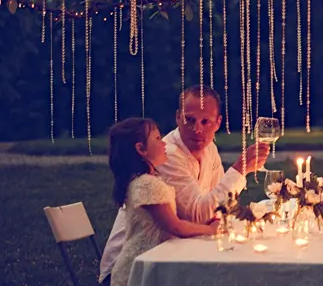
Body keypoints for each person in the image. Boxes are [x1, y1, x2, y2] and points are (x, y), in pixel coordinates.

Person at [100, 87, 269, 283]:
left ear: (218, 123)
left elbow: (220, 208)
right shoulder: (167, 155)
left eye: (205, 121)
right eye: (190, 120)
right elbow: (198, 214)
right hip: (137, 268)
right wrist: (240, 169)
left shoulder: (209, 148)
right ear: (178, 117)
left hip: (171, 254)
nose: (197, 129)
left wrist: (215, 216)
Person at [106, 117, 218, 286]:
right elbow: (176, 226)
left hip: (153, 262)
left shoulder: (143, 181)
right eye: (158, 139)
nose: (164, 144)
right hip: (141, 271)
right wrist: (210, 229)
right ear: (141, 149)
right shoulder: (148, 185)